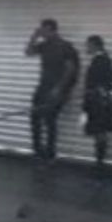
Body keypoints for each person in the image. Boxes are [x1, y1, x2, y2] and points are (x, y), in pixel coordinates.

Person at [26, 18, 80, 162]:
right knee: (34, 117)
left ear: (50, 29)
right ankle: (37, 151)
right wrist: (34, 37)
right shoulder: (44, 45)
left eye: (43, 30)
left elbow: (70, 69)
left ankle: (50, 154)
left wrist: (59, 89)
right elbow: (28, 52)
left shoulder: (66, 47)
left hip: (57, 89)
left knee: (50, 120)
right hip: (42, 87)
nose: (41, 33)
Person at [81, 34, 112, 169]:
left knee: (99, 131)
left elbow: (100, 83)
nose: (86, 48)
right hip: (98, 101)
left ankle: (99, 163)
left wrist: (93, 95)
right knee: (98, 132)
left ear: (94, 45)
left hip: (98, 103)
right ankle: (99, 161)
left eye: (88, 45)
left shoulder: (101, 60)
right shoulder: (101, 59)